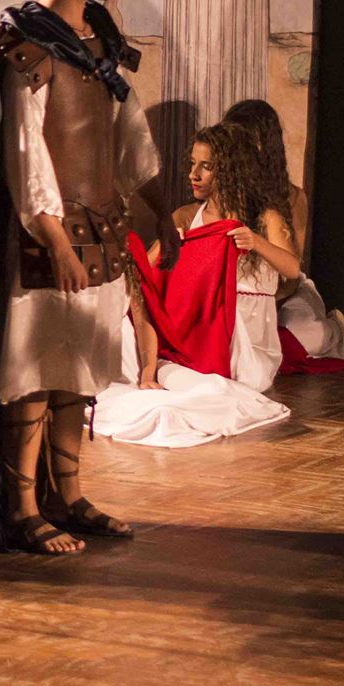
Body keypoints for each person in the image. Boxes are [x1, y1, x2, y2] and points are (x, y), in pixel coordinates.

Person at [0, 0, 160, 557]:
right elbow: (26, 156)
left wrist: (144, 206)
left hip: (100, 229)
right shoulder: (27, 47)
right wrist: (58, 239)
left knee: (77, 374)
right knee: (33, 374)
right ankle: (22, 508)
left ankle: (69, 495)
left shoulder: (99, 41)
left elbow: (127, 136)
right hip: (46, 240)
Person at [91, 124, 294, 447]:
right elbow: (143, 277)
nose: (193, 175)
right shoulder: (186, 215)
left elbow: (292, 269)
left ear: (231, 170)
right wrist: (169, 245)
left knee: (225, 384)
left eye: (206, 166)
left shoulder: (265, 217)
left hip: (245, 332)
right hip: (198, 321)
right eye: (192, 164)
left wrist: (256, 242)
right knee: (129, 326)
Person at [221, 98, 344, 365]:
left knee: (299, 336)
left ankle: (338, 334)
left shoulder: (293, 197)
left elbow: (291, 271)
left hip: (284, 295)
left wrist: (267, 305)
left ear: (264, 145)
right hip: (239, 296)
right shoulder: (224, 193)